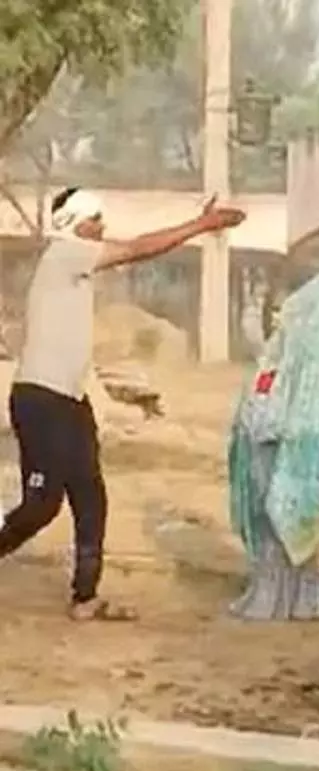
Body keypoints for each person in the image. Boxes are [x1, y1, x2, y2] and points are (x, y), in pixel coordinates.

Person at [0, 187, 244, 622]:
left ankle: (86, 598)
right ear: (75, 222)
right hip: (42, 400)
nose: (103, 227)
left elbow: (134, 244)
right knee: (41, 506)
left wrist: (192, 221)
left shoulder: (73, 260)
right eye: (97, 218)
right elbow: (138, 249)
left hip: (70, 400)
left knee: (90, 495)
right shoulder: (64, 253)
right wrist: (201, 225)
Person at [227, 267, 319, 621]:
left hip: (278, 436)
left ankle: (287, 595)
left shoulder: (297, 350)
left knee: (288, 516)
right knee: (280, 517)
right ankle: (282, 597)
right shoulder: (298, 352)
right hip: (275, 437)